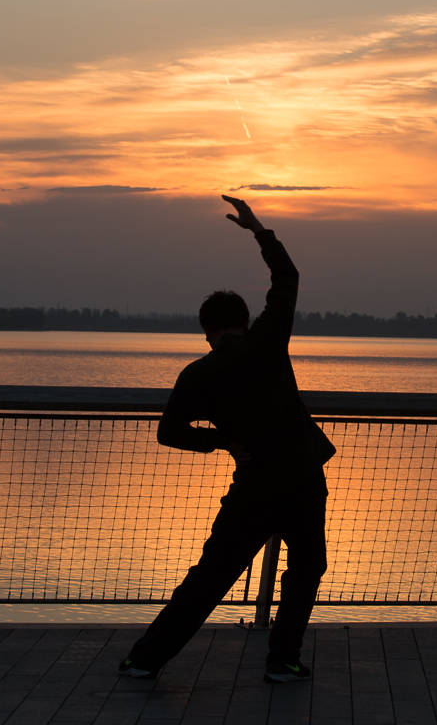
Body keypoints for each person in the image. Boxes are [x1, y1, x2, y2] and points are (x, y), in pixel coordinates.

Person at [119, 195, 335, 682]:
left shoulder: (199, 374)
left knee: (211, 576)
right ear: (244, 320)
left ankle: (145, 659)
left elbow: (169, 433)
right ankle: (282, 660)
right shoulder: (267, 342)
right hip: (302, 477)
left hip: (254, 484)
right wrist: (258, 230)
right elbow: (287, 278)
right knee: (305, 569)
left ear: (207, 332)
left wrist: (220, 441)